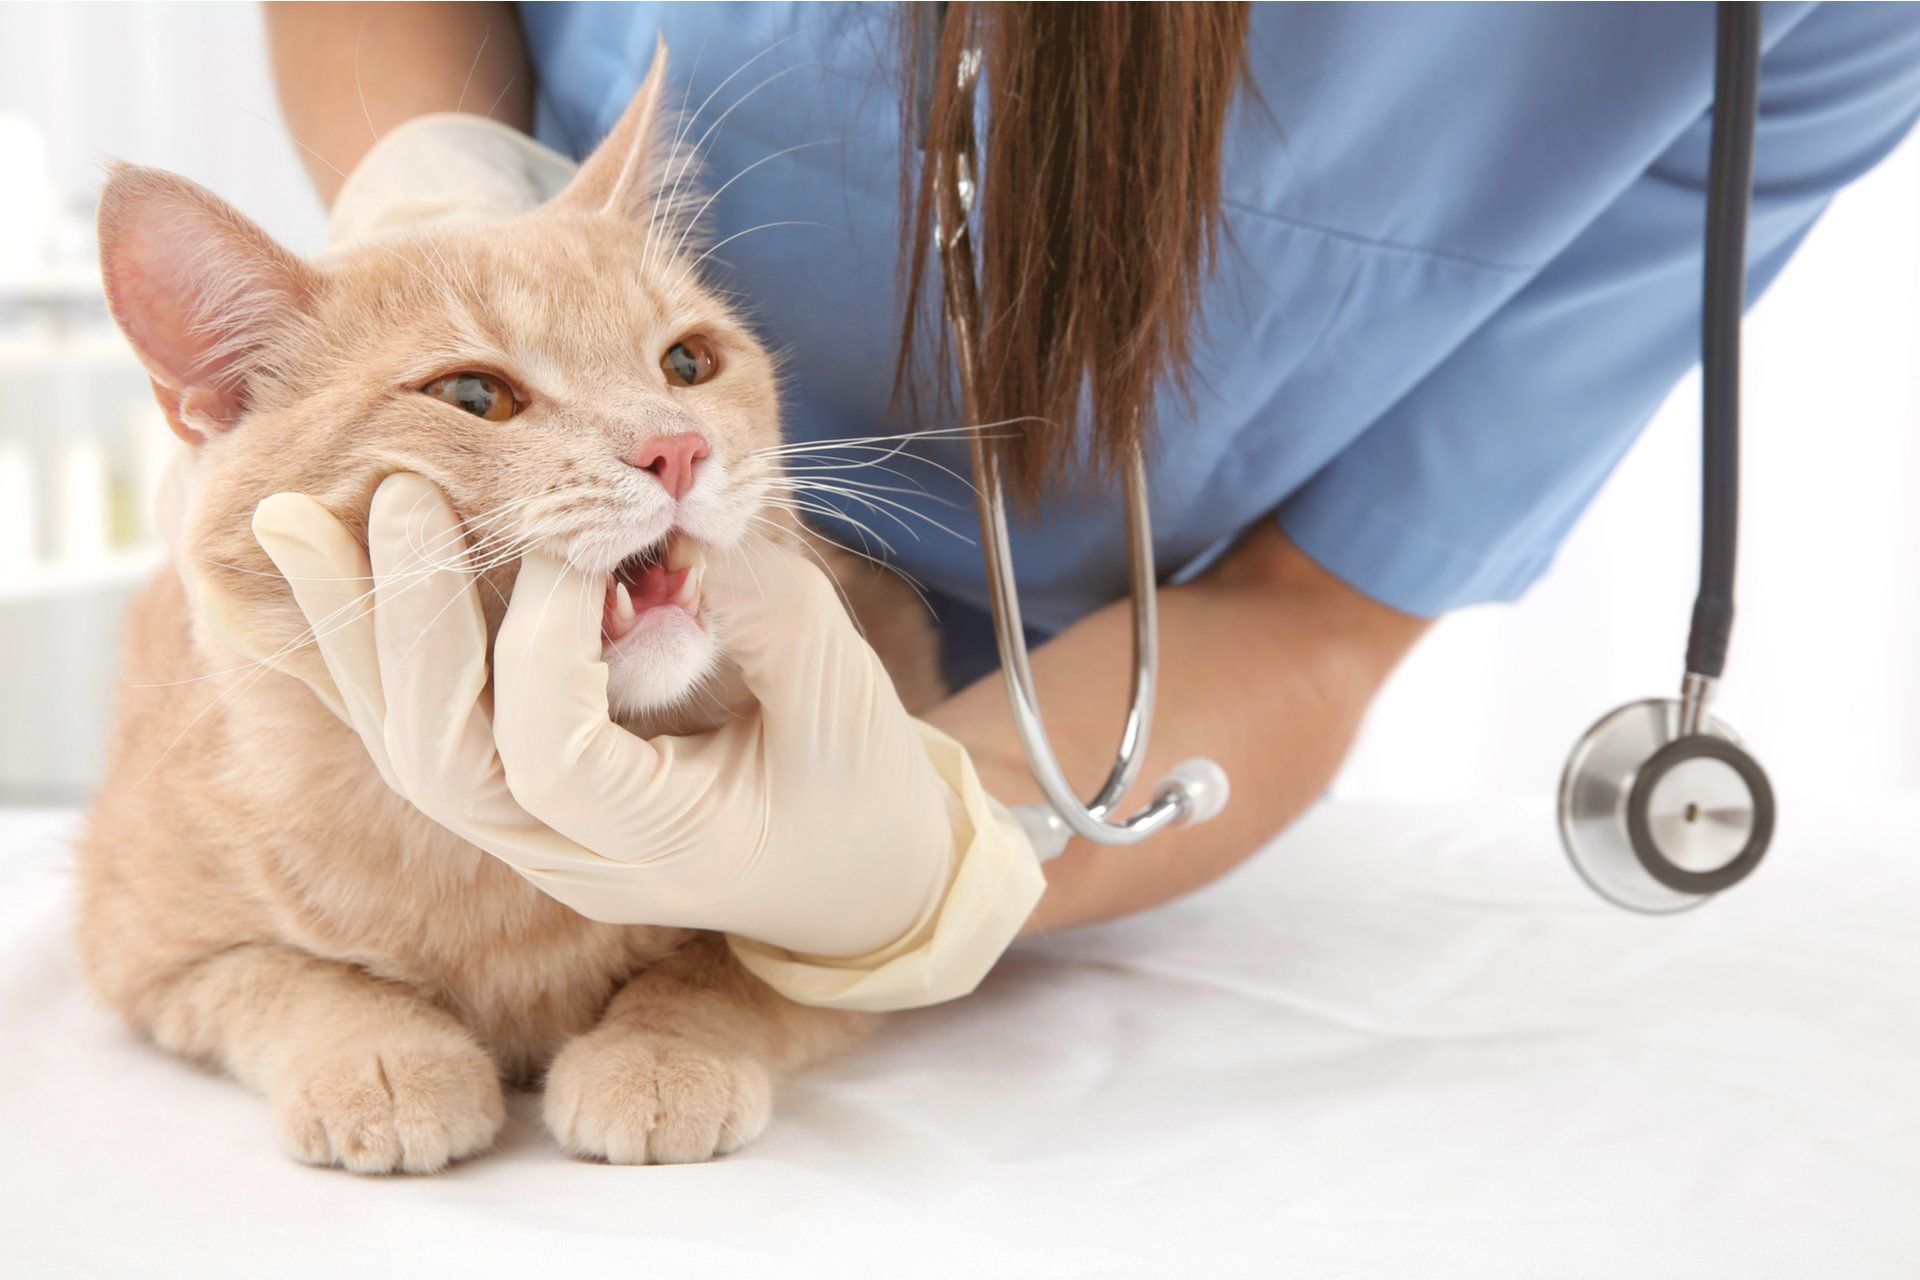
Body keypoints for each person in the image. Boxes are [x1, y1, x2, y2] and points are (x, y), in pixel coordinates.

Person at [256, 2, 1920, 1007]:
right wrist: (435, 192)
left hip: (1070, 712)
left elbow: (1319, 612)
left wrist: (933, 853)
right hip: (513, 521)